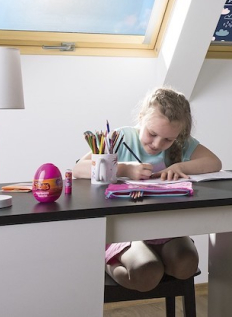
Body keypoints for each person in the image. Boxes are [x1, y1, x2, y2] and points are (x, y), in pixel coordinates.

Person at [73, 87, 222, 291]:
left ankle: (158, 259)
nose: (158, 144)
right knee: (147, 271)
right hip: (122, 230)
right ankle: (106, 260)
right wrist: (124, 169)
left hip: (163, 227)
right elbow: (78, 169)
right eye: (152, 134)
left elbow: (214, 162)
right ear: (141, 117)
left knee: (186, 263)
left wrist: (179, 167)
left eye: (168, 139)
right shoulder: (121, 138)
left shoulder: (180, 144)